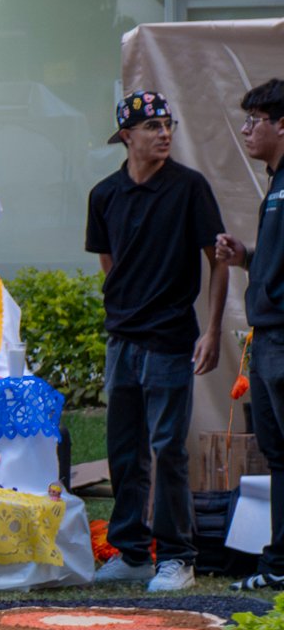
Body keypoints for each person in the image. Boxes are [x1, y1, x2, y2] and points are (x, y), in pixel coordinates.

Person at [84, 90, 229, 594]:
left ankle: (176, 556)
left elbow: (219, 260)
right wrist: (125, 305)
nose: (164, 133)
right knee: (124, 449)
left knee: (167, 448)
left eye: (168, 125)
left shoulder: (189, 188)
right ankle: (130, 553)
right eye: (152, 126)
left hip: (171, 338)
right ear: (126, 136)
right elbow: (109, 262)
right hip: (122, 338)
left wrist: (210, 330)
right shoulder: (104, 194)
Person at [216, 77, 284, 592]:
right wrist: (247, 259)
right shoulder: (275, 183)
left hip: (281, 337)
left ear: (281, 123)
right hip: (266, 337)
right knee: (277, 452)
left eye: (254, 120)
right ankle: (279, 560)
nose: (245, 130)